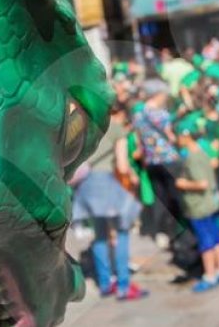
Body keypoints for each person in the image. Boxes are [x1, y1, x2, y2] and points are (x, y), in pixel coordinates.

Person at [72, 103, 147, 301]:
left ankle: (105, 284)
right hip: (106, 182)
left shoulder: (82, 126)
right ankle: (123, 285)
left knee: (100, 235)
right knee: (122, 232)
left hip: (86, 185)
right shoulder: (115, 127)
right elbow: (122, 166)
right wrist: (131, 182)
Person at [132, 79, 183, 248]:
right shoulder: (162, 115)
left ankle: (161, 232)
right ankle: (175, 231)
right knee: (175, 196)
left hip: (151, 161)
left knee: (159, 197)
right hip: (169, 159)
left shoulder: (138, 115)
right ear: (158, 95)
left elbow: (139, 139)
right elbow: (171, 136)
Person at [176, 127, 219, 293]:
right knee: (216, 237)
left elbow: (202, 183)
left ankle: (210, 275)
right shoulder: (203, 152)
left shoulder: (192, 158)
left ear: (186, 136)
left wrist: (182, 183)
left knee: (206, 242)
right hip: (211, 203)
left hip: (199, 206)